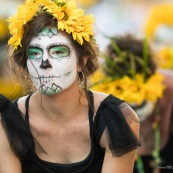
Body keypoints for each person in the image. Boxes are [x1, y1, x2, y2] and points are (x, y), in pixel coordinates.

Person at [0, 0, 140, 173]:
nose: (44, 63)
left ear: (82, 61)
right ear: (25, 63)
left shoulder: (116, 118)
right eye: (35, 53)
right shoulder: (8, 121)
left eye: (58, 51)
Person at [91, 34, 173, 173]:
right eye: (121, 90)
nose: (135, 103)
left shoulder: (169, 93)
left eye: (140, 91)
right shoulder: (98, 106)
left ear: (153, 80)